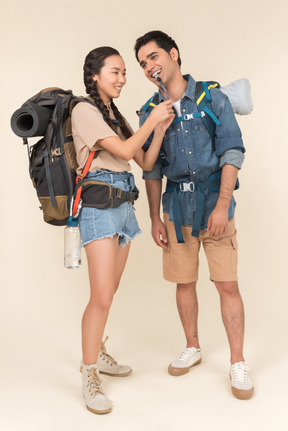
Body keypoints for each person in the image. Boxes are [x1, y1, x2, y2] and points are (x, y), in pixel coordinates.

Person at [134, 31, 254, 400]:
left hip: (216, 205)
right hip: (176, 209)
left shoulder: (212, 97)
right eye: (142, 63)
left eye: (154, 57)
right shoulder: (149, 111)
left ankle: (237, 362)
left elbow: (232, 151)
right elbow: (152, 171)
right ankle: (194, 347)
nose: (149, 66)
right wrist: (155, 218)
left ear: (173, 54)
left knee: (227, 285)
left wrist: (221, 205)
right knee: (183, 283)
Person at [71, 46, 174, 414]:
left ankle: (96, 352)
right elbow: (128, 148)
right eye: (114, 72)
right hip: (98, 207)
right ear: (95, 75)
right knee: (100, 296)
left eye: (125, 73)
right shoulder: (83, 110)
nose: (122, 79)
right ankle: (88, 374)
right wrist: (150, 122)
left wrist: (158, 128)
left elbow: (143, 159)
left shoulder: (112, 114)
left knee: (109, 292)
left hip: (123, 206)